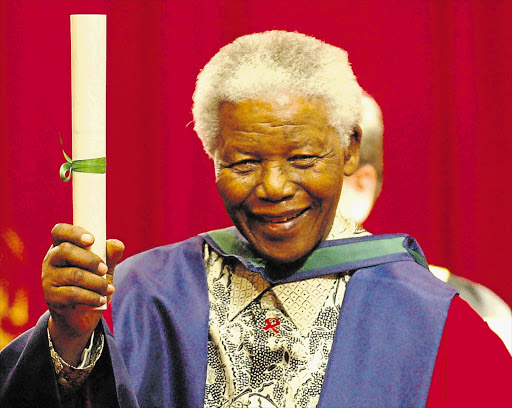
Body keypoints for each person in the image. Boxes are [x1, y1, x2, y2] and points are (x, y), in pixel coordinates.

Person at [1, 31, 511, 408]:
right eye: (243, 162)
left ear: (350, 148)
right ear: (212, 157)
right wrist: (68, 337)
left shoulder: (437, 322)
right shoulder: (144, 295)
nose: (273, 187)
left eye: (304, 158)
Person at [338, 92, 512, 353]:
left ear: (359, 187)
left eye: (304, 163)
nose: (273, 187)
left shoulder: (475, 316)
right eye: (252, 163)